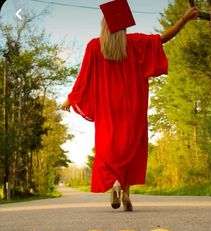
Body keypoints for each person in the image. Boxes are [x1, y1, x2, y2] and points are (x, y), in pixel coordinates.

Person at [61, 0, 198, 211]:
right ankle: (126, 192)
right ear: (124, 26)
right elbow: (163, 38)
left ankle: (115, 184)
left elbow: (83, 78)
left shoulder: (94, 46)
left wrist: (71, 97)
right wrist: (184, 19)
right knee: (131, 147)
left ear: (104, 26)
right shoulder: (134, 42)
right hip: (132, 105)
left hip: (107, 108)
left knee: (109, 148)